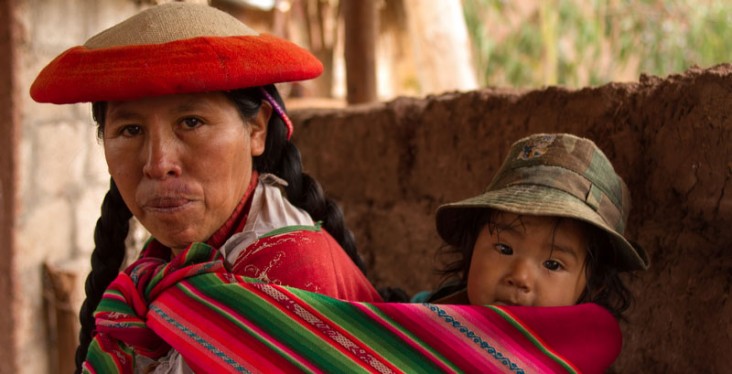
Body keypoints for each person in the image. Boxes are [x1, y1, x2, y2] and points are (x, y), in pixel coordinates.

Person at [30, 2, 382, 372]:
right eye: (130, 130)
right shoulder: (179, 257)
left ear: (257, 129)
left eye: (192, 121)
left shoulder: (284, 280)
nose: (158, 164)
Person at [417, 133, 649, 320]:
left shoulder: (577, 359)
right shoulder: (421, 316)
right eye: (504, 249)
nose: (520, 277)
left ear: (593, 284)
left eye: (552, 264)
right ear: (472, 247)